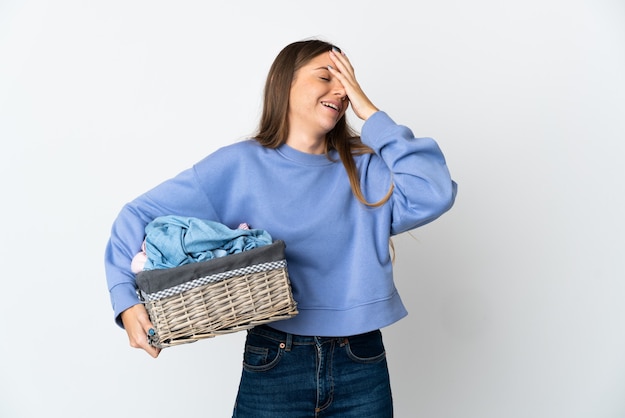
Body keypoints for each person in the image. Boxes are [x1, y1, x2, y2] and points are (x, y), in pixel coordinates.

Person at [105, 39, 457, 417]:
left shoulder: (365, 170)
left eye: (347, 82)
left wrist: (370, 113)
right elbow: (136, 214)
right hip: (275, 357)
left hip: (362, 358)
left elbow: (433, 192)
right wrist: (125, 301)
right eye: (326, 76)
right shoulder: (239, 165)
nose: (340, 91)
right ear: (285, 85)